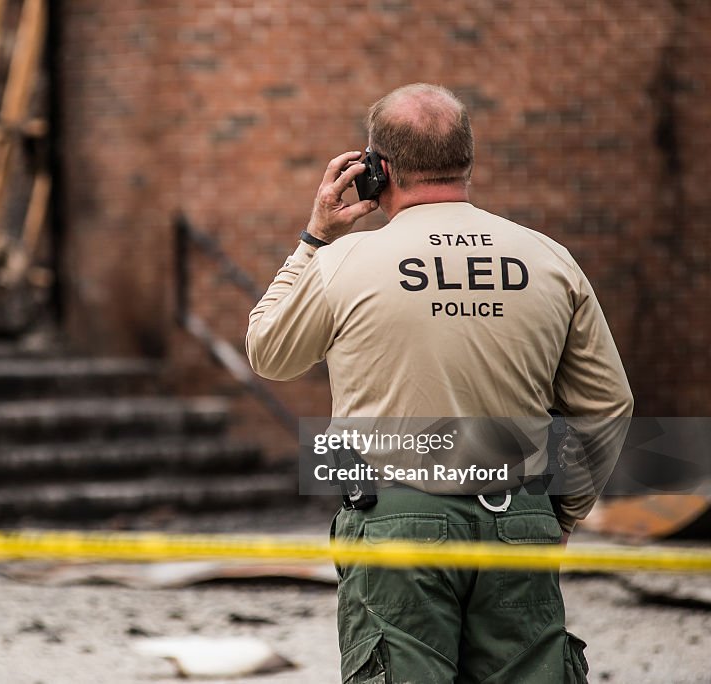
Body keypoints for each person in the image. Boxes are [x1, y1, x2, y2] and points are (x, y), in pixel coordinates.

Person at [246, 83, 633, 683]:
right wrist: (560, 517)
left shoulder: (344, 262)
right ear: (468, 159)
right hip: (518, 512)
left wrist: (315, 238)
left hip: (396, 521)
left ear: (378, 169)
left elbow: (269, 351)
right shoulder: (550, 259)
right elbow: (608, 403)